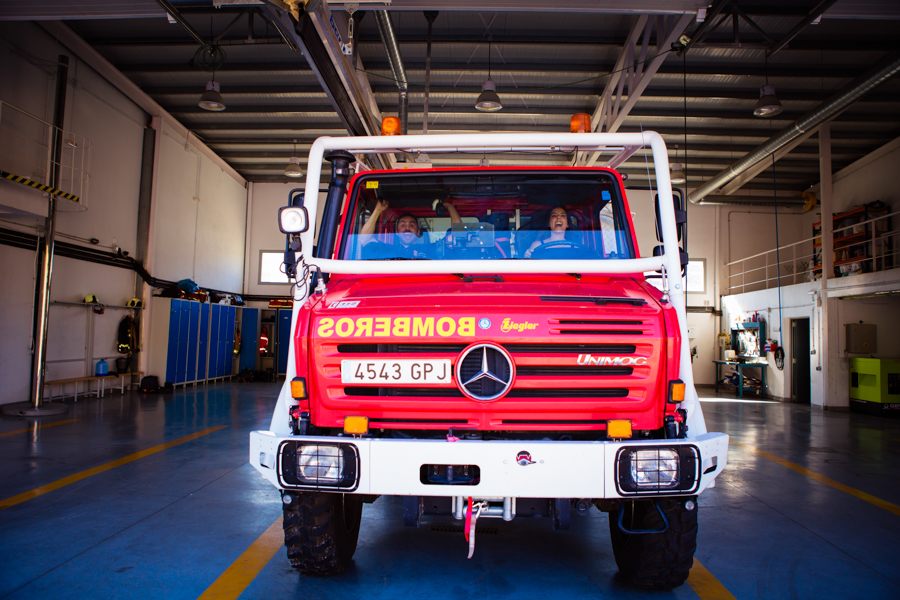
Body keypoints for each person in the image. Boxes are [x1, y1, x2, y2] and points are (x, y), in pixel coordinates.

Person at [359, 199, 461, 258]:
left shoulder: (430, 249)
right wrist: (377, 210)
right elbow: (363, 240)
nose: (407, 228)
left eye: (412, 225)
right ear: (396, 232)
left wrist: (449, 206)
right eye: (402, 225)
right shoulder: (385, 249)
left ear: (418, 232)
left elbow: (458, 235)